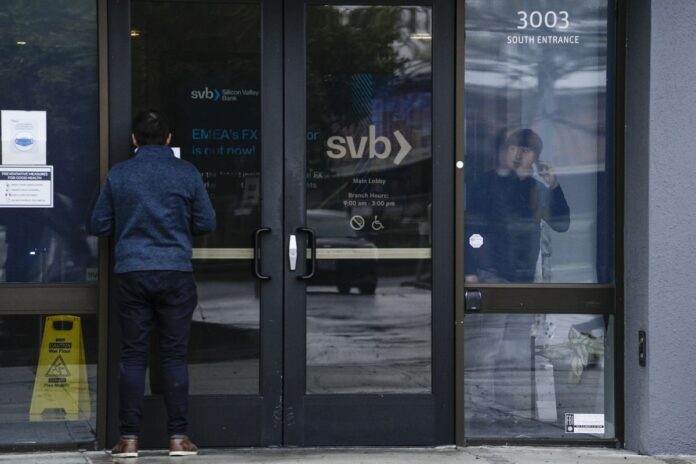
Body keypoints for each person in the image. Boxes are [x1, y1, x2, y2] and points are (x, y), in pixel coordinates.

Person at [90, 110, 216, 458]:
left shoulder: (120, 174)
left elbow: (99, 224)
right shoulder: (186, 172)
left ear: (134, 140)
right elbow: (206, 222)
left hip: (132, 272)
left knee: (133, 355)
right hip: (175, 272)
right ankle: (178, 438)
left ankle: (129, 439)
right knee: (174, 354)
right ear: (169, 139)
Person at [465, 128, 570, 283]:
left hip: (525, 276)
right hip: (490, 273)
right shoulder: (486, 183)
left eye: (525, 150)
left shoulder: (536, 189)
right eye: (513, 148)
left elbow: (561, 225)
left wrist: (554, 186)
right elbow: (470, 229)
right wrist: (470, 271)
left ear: (535, 158)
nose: (518, 155)